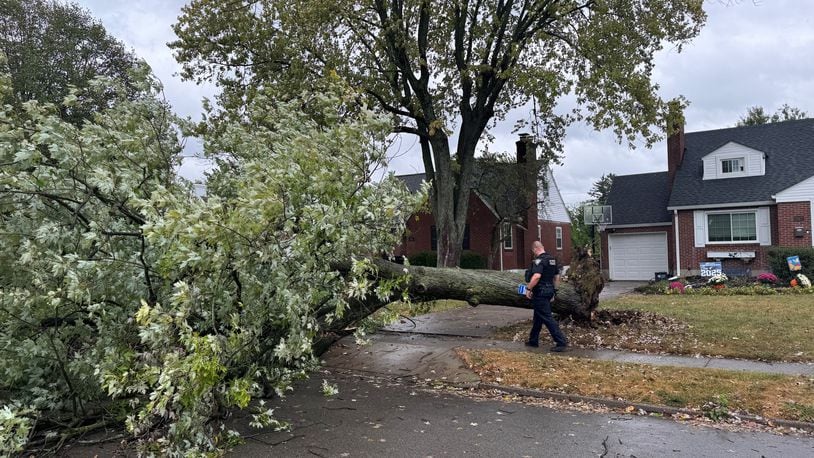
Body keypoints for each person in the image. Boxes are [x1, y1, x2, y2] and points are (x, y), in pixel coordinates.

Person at [524, 241, 568, 352]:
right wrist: (554, 291)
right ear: (542, 247)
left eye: (533, 251)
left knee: (547, 318)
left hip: (540, 292)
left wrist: (528, 289)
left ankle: (561, 342)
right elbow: (557, 277)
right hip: (549, 291)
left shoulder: (539, 261)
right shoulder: (552, 260)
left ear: (535, 249)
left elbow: (536, 276)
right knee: (538, 317)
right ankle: (533, 340)